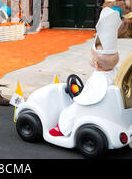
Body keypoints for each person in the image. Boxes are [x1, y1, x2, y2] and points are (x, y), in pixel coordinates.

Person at [49, 7, 122, 137]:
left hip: (95, 107)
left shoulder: (99, 79)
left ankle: (62, 129)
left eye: (91, 56)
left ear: (96, 64)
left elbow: (89, 97)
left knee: (71, 110)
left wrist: (79, 97)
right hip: (107, 107)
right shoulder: (115, 72)